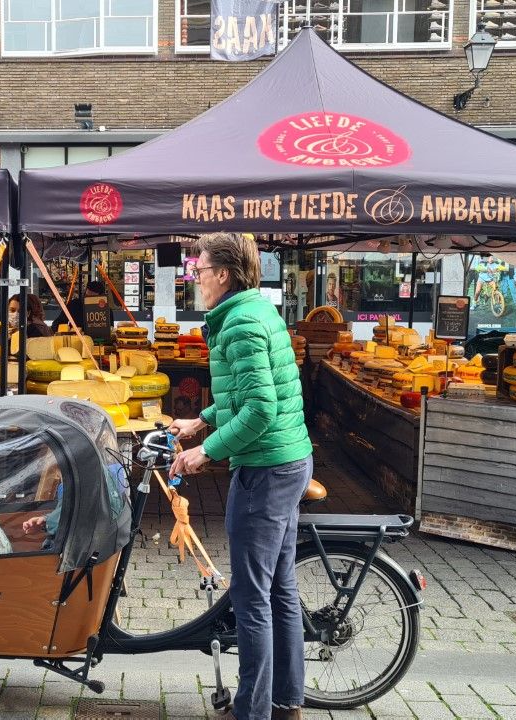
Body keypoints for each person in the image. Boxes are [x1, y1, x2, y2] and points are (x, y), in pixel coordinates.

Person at [166, 232, 312, 720]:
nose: (196, 279)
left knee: (251, 598)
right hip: (289, 461)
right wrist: (203, 420)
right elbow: (243, 394)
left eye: (200, 270)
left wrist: (204, 452)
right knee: (279, 588)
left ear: (223, 274)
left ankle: (252, 711)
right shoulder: (255, 311)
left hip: (267, 470)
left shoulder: (240, 324)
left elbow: (258, 411)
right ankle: (288, 701)